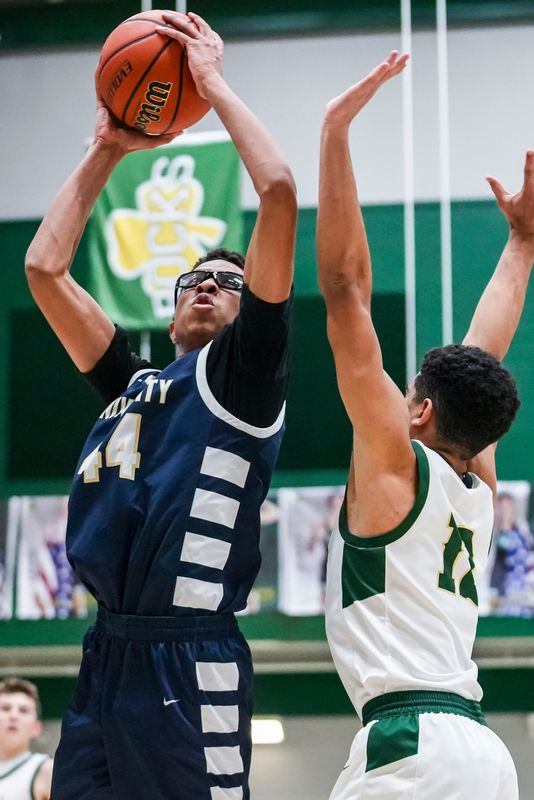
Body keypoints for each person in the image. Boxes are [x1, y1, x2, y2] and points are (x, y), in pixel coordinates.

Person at [25, 11, 296, 800]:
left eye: (228, 283)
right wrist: (107, 148)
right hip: (105, 649)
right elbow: (45, 269)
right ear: (171, 310)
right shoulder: (136, 384)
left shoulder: (243, 382)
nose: (208, 285)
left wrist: (209, 81)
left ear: (253, 314)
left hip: (187, 651)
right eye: (194, 281)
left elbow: (277, 189)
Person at [318, 51, 531, 800]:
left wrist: (335, 135)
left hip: (411, 743)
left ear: (420, 411)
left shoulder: (395, 470)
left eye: (407, 390)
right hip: (480, 748)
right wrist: (522, 245)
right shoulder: (475, 479)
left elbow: (346, 291)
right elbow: (487, 353)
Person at [0, 678, 53, 800]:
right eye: (5, 708)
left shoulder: (46, 771)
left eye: (23, 711)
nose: (14, 716)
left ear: (36, 728)